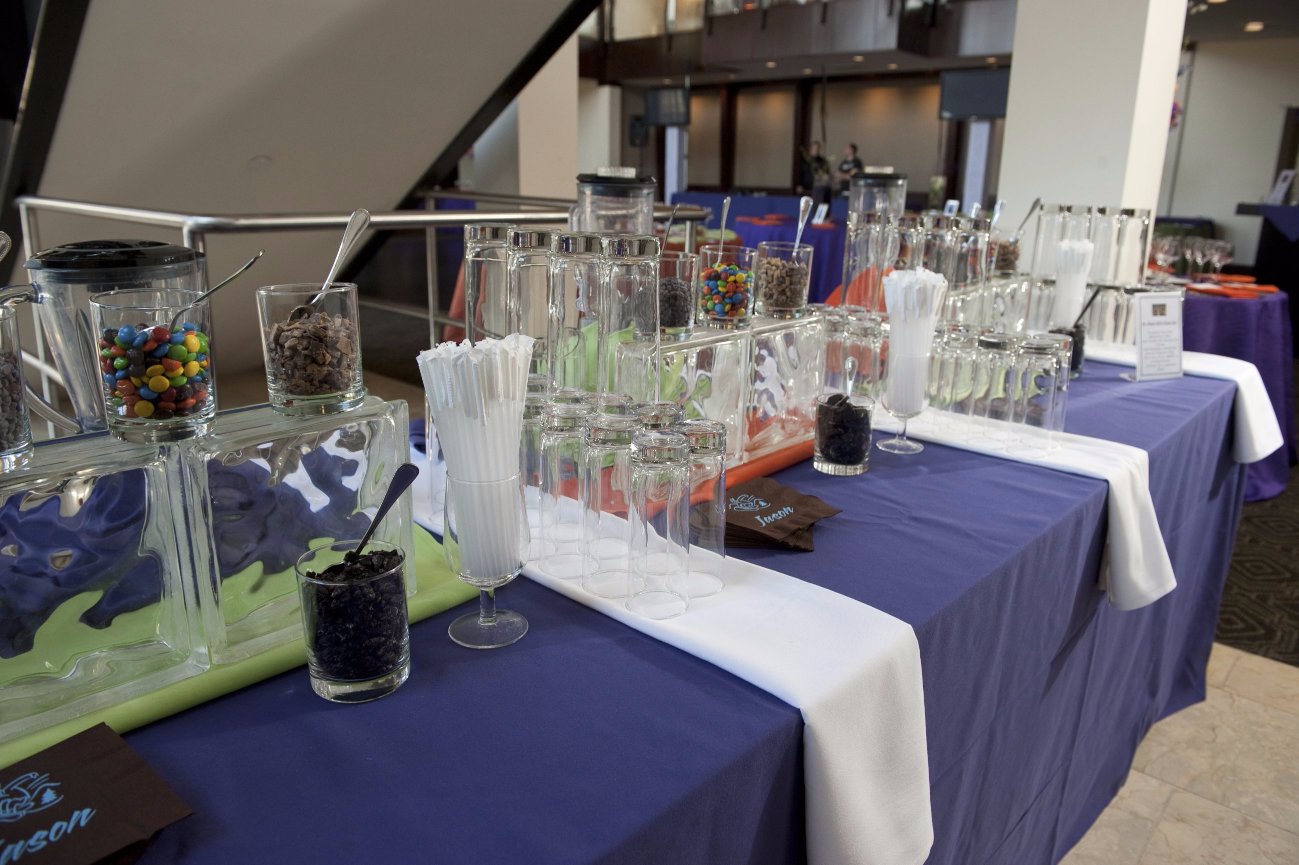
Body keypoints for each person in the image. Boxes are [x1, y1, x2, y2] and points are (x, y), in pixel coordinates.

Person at [798, 141, 832, 207]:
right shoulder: (805, 161)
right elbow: (801, 173)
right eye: (814, 148)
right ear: (810, 149)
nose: (815, 150)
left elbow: (826, 174)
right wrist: (799, 184)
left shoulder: (822, 161)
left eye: (817, 149)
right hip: (806, 188)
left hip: (818, 189)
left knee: (817, 205)